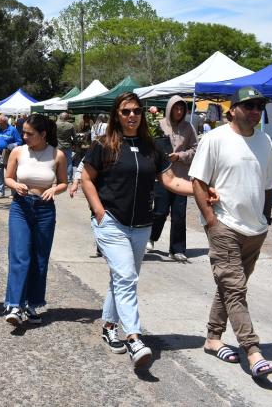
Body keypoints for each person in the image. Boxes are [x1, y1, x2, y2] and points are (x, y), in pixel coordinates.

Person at [81, 92, 212, 370]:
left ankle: (108, 326)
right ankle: (134, 338)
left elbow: (172, 181)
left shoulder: (152, 147)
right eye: (126, 111)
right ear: (117, 114)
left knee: (122, 278)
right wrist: (99, 212)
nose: (132, 116)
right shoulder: (103, 145)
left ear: (142, 115)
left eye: (136, 111)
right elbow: (86, 178)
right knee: (127, 277)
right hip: (112, 223)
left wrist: (203, 192)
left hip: (141, 225)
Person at [189, 86, 272, 379]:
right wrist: (210, 220)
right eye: (250, 105)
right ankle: (253, 352)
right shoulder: (215, 138)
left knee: (229, 288)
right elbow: (198, 181)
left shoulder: (265, 141)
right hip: (224, 225)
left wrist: (266, 217)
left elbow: (269, 184)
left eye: (260, 106)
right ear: (233, 109)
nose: (256, 111)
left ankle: (213, 338)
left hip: (256, 229)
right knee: (235, 288)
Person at [1, 114, 68, 326]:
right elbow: (8, 177)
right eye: (24, 132)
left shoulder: (57, 155)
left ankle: (32, 304)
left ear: (43, 134)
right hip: (20, 207)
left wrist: (55, 190)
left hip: (45, 210)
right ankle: (14, 304)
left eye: (29, 133)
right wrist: (15, 185)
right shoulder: (17, 151)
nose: (24, 136)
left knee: (40, 258)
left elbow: (64, 182)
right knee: (20, 255)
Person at [148, 96, 198, 262]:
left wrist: (181, 155)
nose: (179, 111)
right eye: (176, 108)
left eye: (181, 109)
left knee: (179, 214)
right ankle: (151, 237)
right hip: (162, 177)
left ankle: (177, 249)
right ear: (169, 109)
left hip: (181, 176)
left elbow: (195, 149)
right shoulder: (158, 125)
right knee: (160, 211)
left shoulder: (188, 127)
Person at [0, 113, 23, 198]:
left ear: (4, 122)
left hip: (9, 155)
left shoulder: (12, 130)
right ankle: (0, 193)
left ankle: (13, 193)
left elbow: (19, 141)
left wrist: (12, 145)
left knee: (11, 175)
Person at [56, 111, 76, 180]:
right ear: (67, 118)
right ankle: (69, 178)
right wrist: (74, 144)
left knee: (57, 162)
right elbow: (75, 137)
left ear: (60, 117)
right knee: (69, 162)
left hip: (58, 146)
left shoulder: (56, 124)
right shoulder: (71, 125)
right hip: (68, 146)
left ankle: (58, 178)